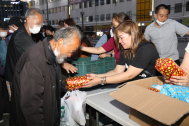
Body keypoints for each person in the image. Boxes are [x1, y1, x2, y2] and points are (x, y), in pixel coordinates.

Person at [10, 26, 81, 126]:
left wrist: (73, 83)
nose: (70, 55)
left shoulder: (52, 53)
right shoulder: (35, 61)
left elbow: (53, 78)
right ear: (60, 41)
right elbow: (31, 106)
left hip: (50, 114)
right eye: (70, 50)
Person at [83, 20, 159, 88]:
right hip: (135, 87)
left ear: (133, 35)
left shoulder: (146, 49)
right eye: (118, 38)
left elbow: (129, 75)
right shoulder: (125, 49)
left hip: (150, 88)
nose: (119, 41)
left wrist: (100, 80)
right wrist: (97, 76)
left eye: (121, 37)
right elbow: (117, 71)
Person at [5, 8, 43, 88]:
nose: (40, 26)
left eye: (41, 24)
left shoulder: (26, 34)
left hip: (21, 77)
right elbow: (39, 53)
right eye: (38, 23)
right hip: (18, 81)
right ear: (28, 20)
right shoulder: (21, 36)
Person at [0, 20, 9, 124]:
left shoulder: (5, 40)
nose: (5, 31)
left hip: (3, 71)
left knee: (4, 92)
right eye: (3, 30)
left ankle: (5, 111)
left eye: (6, 30)